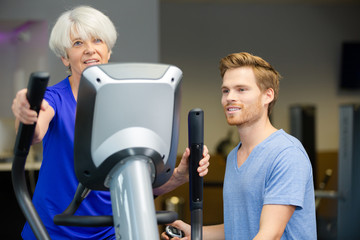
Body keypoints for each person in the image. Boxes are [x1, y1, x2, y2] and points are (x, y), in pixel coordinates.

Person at [12, 6, 210, 240]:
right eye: (77, 43)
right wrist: (27, 113)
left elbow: (138, 187)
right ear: (64, 57)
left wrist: (180, 175)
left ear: (108, 50)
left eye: (97, 40)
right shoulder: (54, 98)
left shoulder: (131, 108)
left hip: (111, 232)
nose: (90, 50)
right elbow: (34, 131)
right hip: (51, 231)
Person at [161, 52, 317, 240]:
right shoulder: (235, 155)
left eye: (241, 89)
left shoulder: (286, 153)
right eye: (226, 91)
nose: (229, 98)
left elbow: (270, 234)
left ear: (268, 95)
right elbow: (240, 227)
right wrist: (195, 234)